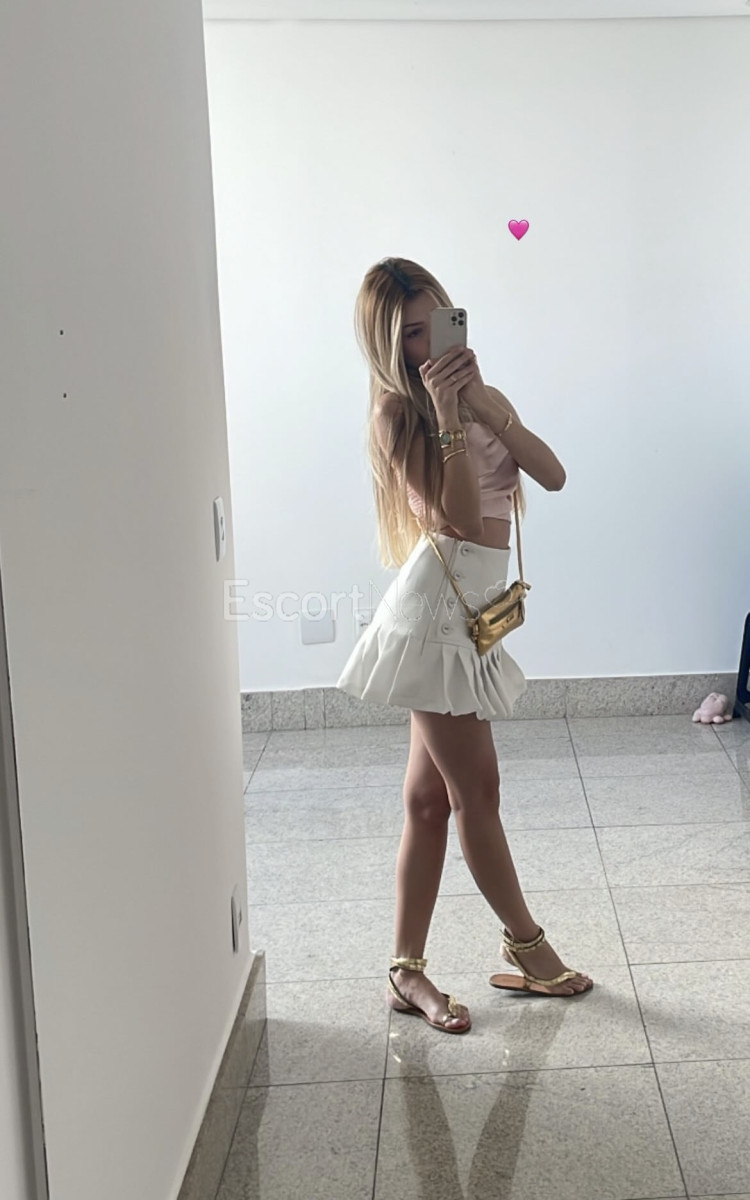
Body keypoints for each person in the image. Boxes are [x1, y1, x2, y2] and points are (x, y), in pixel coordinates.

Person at [337, 257, 593, 1035]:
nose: (428, 346)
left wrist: (484, 407)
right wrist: (448, 416)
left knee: (428, 802)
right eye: (412, 335)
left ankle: (404, 971)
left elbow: (552, 475)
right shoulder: (397, 415)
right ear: (389, 344)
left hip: (467, 612)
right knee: (476, 793)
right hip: (434, 619)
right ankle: (530, 950)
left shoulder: (484, 396)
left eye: (437, 323)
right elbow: (451, 518)